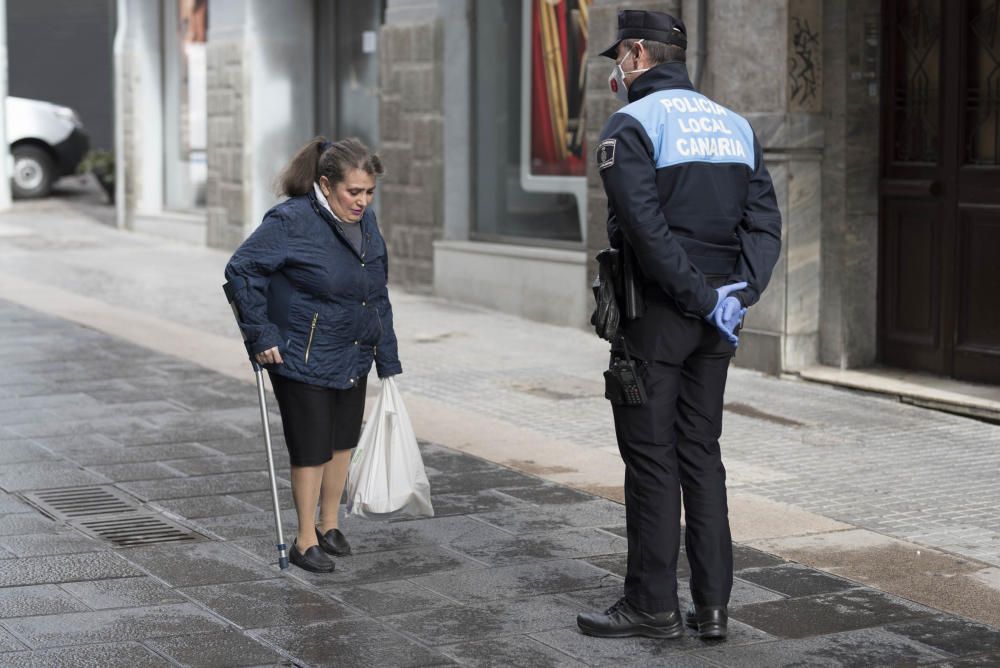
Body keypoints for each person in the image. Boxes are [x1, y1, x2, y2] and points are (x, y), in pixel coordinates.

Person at [576, 11, 782, 640]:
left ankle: (653, 605)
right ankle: (714, 607)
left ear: (638, 54)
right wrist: (736, 294)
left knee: (650, 458)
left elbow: (643, 227)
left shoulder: (631, 125)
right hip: (717, 322)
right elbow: (765, 225)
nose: (617, 69)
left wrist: (695, 295)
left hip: (658, 316)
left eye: (621, 56)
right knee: (702, 454)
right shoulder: (735, 125)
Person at [224, 137, 402, 573]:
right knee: (311, 447)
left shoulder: (367, 223)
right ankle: (304, 540)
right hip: (301, 352)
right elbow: (242, 268)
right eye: (353, 192)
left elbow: (377, 289)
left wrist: (387, 357)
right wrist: (261, 334)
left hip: (352, 347)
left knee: (342, 441)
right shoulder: (291, 220)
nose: (362, 201)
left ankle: (329, 523)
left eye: (369, 192)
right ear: (325, 184)